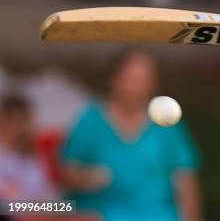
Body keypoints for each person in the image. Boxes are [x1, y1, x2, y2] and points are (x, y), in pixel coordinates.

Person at [61, 49, 202, 221]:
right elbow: (66, 173)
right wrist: (86, 178)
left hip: (155, 214)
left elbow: (185, 181)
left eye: (145, 80)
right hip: (100, 212)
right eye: (133, 80)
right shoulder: (91, 120)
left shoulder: (166, 122)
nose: (139, 87)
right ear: (115, 80)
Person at [0, 93, 54, 200]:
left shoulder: (30, 155)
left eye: (21, 121)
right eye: (11, 120)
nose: (16, 127)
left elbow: (40, 189)